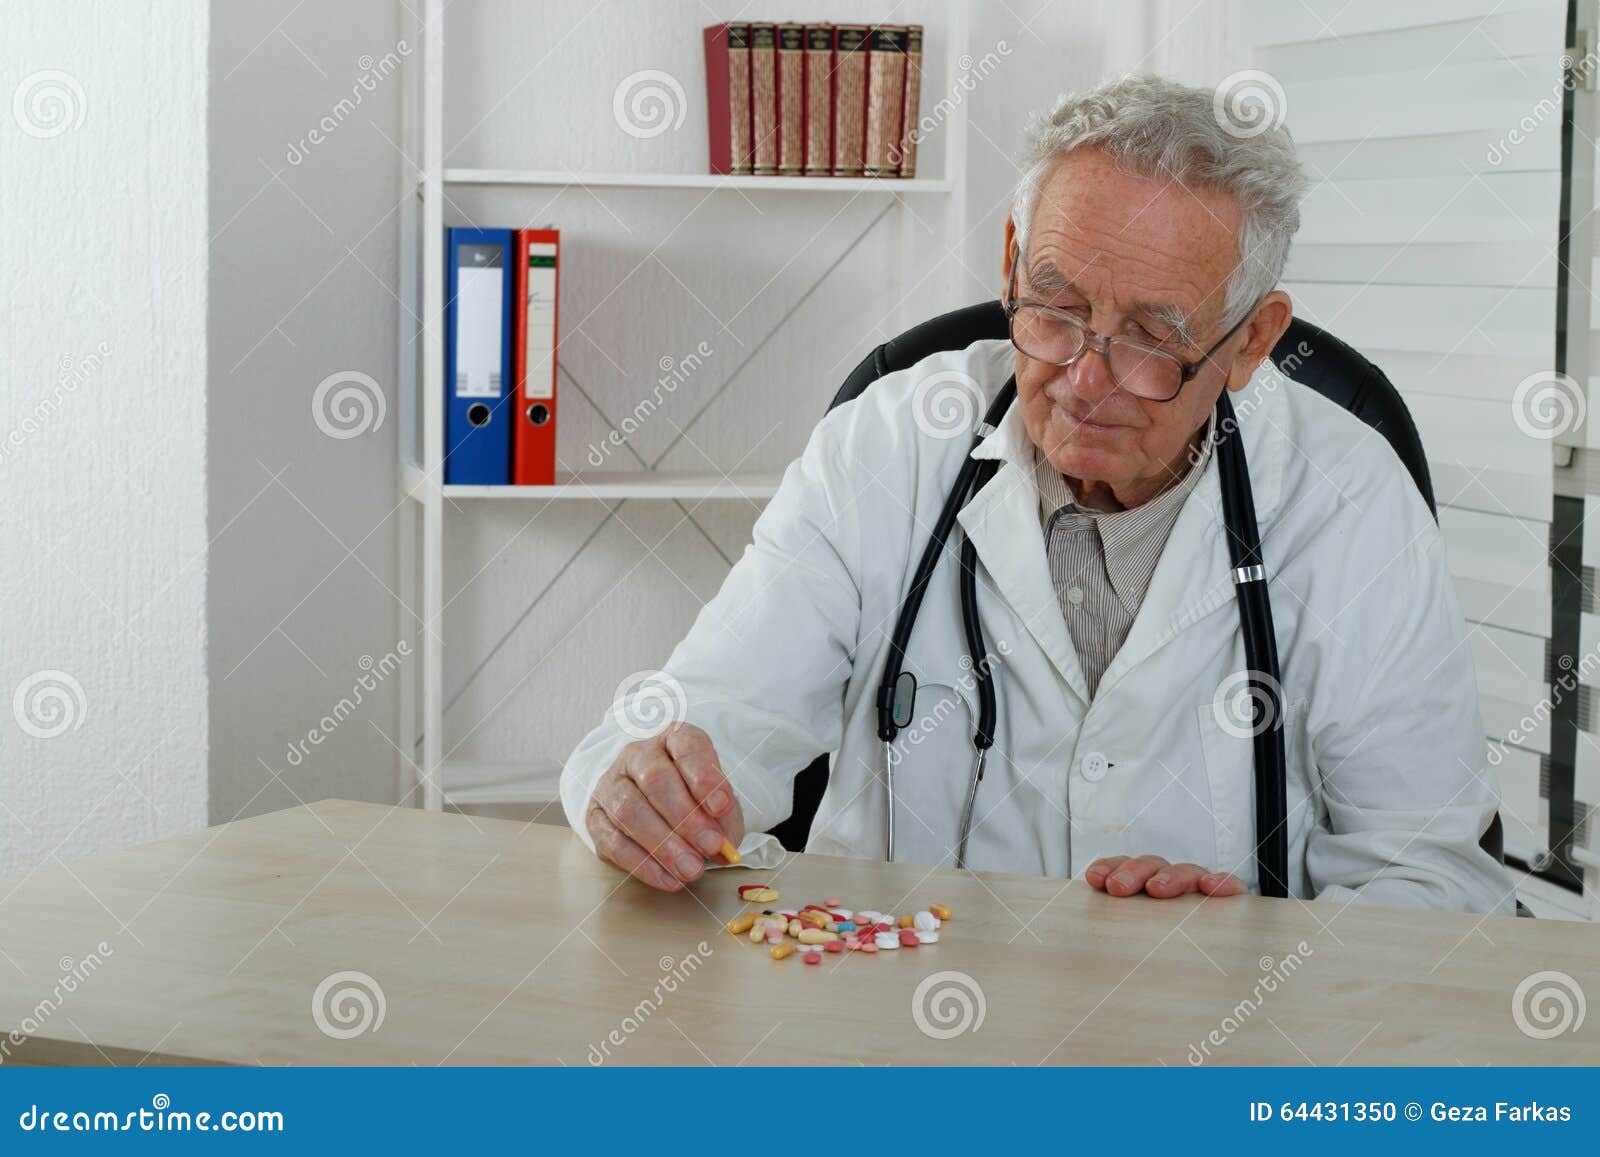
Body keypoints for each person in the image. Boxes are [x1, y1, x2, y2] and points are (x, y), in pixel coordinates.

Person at [559, 74, 1515, 914]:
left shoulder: (1350, 497)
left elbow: (1433, 881)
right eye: (1054, 308)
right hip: (893, 1035)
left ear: (1252, 341)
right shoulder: (890, 443)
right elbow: (695, 730)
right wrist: (640, 788)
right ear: (1013, 255)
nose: (1084, 379)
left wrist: (1251, 954)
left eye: (1150, 336)